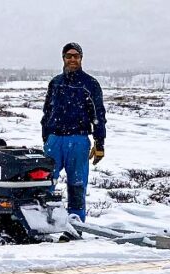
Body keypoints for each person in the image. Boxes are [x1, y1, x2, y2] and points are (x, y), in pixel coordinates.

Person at [40, 42, 106, 222]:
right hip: (54, 141)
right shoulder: (56, 83)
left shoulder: (90, 84)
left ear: (81, 58)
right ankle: (40, 222)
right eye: (68, 56)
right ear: (63, 58)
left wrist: (99, 143)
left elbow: (98, 115)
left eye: (76, 56)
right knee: (44, 184)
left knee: (77, 185)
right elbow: (47, 112)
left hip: (78, 141)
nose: (72, 59)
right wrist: (46, 137)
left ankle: (75, 224)